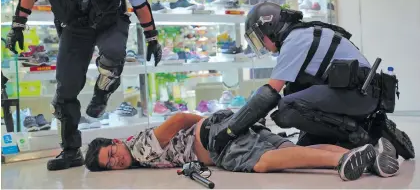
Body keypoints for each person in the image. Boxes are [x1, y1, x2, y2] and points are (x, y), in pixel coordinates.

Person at [5, 0, 162, 171]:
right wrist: (18, 25)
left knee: (114, 54)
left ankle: (102, 93)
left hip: (110, 22)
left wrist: (152, 37)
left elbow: (140, 4)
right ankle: (70, 151)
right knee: (65, 90)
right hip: (76, 27)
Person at [212, 2, 415, 160]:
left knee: (287, 108)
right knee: (294, 91)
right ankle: (373, 127)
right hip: (361, 95)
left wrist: (230, 129)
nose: (262, 45)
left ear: (269, 27)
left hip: (360, 95)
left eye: (259, 38)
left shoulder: (295, 40)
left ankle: (365, 137)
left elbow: (269, 94)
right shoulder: (303, 34)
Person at [85, 110, 399, 181]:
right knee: (280, 148)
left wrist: (210, 129)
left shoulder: (140, 147)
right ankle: (362, 156)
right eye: (108, 163)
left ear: (116, 142)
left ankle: (339, 164)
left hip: (216, 140)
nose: (115, 161)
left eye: (111, 153)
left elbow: (180, 118)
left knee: (265, 161)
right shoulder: (138, 153)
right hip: (222, 128)